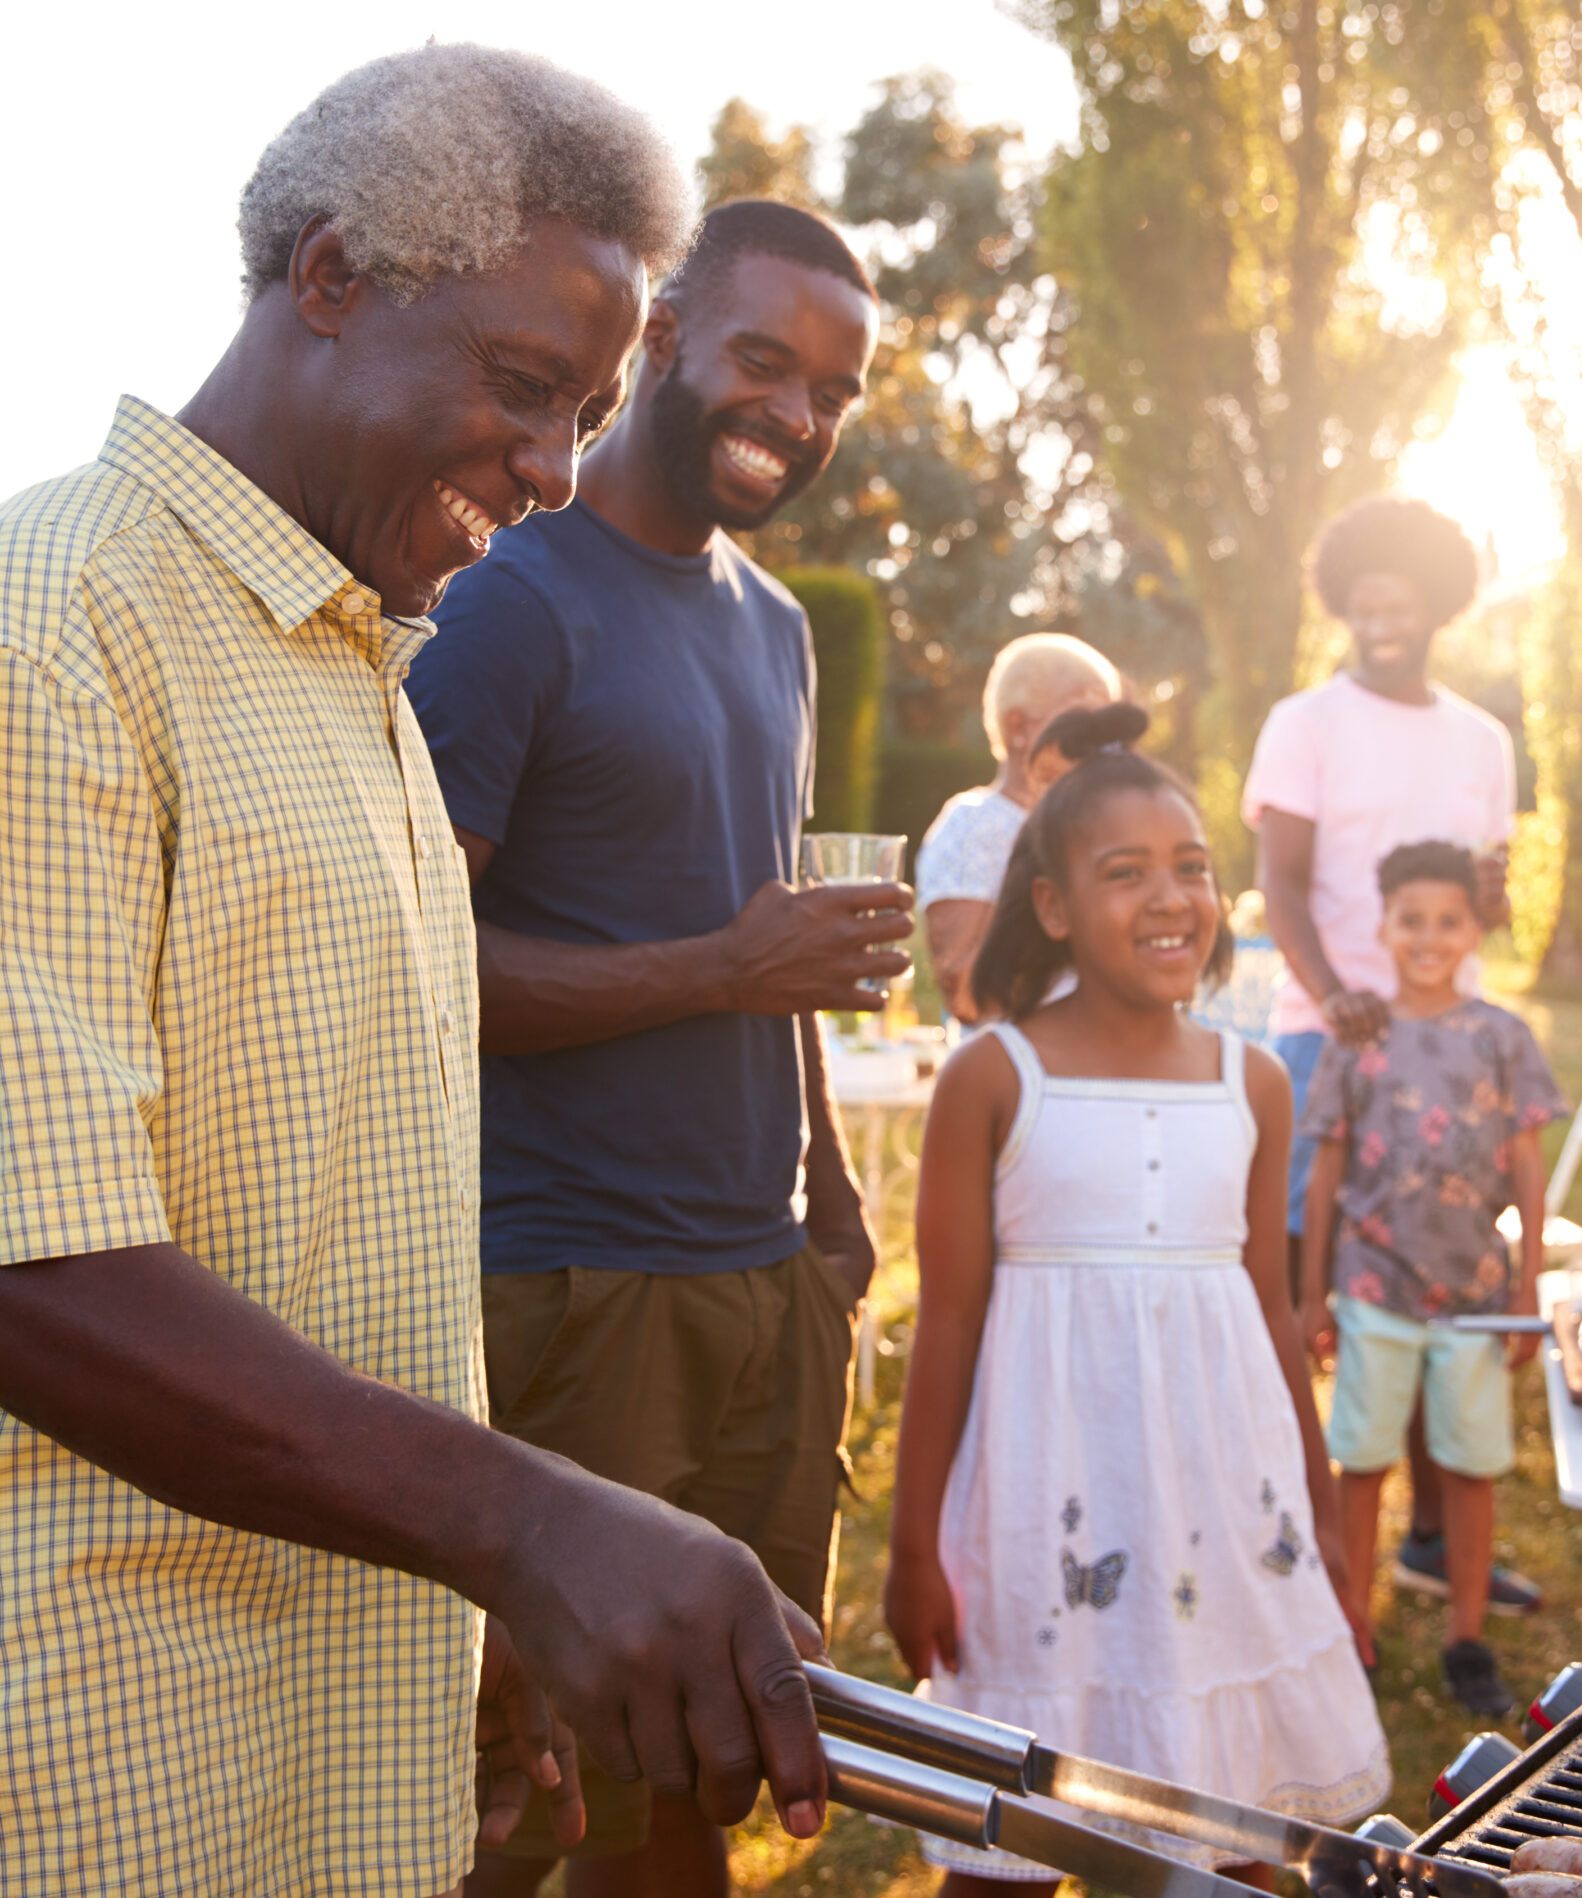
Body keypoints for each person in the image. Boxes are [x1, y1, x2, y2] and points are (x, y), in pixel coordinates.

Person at [0, 46, 838, 1897]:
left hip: (338, 1707)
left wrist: (473, 1603)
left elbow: (341, 1219)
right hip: (112, 1751)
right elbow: (36, 1266)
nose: (554, 472)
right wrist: (523, 1518)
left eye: (588, 409)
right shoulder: (50, 625)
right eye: (527, 389)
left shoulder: (364, 659)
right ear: (329, 277)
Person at [405, 196, 905, 1896]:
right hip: (574, 1288)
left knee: (704, 1767)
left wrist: (831, 1213)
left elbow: (767, 948)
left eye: (835, 390)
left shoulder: (778, 623)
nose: (796, 414)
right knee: (533, 1798)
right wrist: (720, 964)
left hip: (764, 1278)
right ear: (668, 335)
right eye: (765, 359)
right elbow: (416, 974)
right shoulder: (508, 599)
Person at [887, 703, 1388, 1895]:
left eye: (1194, 869)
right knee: (1006, 1846)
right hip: (1044, 1513)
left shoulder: (1253, 1083)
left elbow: (1271, 1316)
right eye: (1126, 874)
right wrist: (913, 1541)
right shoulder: (991, 1076)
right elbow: (947, 1324)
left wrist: (1323, 1515)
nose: (1171, 898)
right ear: (1052, 904)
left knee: (1247, 1835)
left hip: (1228, 1510)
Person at [1242, 494, 1542, 1616]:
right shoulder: (1304, 721)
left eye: (1399, 598)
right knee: (1305, 1280)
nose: (1381, 617)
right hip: (1326, 1036)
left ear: (1434, 603)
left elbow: (1480, 896)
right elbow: (1278, 878)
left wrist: (1484, 912)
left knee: (1437, 1277)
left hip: (1445, 1053)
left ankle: (1424, 1537)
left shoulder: (1481, 740)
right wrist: (1336, 994)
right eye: (1362, 599)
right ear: (1343, 601)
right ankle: (1293, 1530)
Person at [1299, 843, 1566, 1716]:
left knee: (1470, 1462)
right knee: (1364, 1457)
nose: (1428, 935)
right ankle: (1351, 1624)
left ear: (1474, 928)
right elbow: (1325, 1171)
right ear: (1381, 925)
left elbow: (1527, 1167)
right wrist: (1311, 1293)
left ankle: (1466, 1636)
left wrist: (1528, 1285)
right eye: (1410, 918)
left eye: (1447, 920)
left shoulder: (1501, 1036)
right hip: (1373, 1285)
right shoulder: (1359, 1037)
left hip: (1476, 1294)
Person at [917, 632, 1119, 1027]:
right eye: (1083, 726)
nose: (1102, 749)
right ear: (1019, 728)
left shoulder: (1097, 826)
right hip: (1017, 1073)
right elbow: (963, 991)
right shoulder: (974, 825)